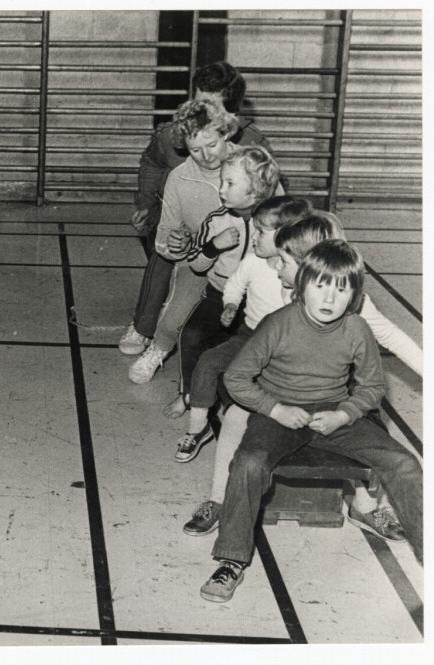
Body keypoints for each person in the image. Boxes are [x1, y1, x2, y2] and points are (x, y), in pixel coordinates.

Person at [200, 239, 422, 602]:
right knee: (248, 462)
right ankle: (231, 560)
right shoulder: (278, 324)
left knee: (405, 463)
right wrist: (274, 409)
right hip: (279, 414)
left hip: (335, 414)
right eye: (320, 285)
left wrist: (344, 413)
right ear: (301, 284)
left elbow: (372, 386)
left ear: (354, 295)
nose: (330, 299)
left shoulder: (357, 330)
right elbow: (236, 378)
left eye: (341, 288)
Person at [120, 61, 275, 356]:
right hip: (182, 218)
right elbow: (152, 164)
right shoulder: (172, 135)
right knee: (164, 252)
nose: (200, 112)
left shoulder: (253, 144)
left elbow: (271, 192)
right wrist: (145, 202)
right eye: (197, 100)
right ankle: (143, 326)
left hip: (229, 228)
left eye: (210, 105)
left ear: (231, 117)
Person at [171, 195, 309, 462]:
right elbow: (235, 285)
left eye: (261, 231)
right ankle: (197, 428)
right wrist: (231, 305)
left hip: (284, 344)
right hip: (249, 335)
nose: (253, 236)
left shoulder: (297, 270)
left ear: (286, 236)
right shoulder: (252, 261)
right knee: (209, 362)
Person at [124, 100, 243, 384]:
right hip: (203, 259)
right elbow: (165, 235)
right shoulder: (179, 178)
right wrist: (174, 246)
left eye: (211, 145)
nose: (205, 156)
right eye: (195, 149)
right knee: (174, 319)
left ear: (225, 132)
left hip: (250, 261)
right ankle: (157, 349)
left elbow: (281, 217)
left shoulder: (252, 163)